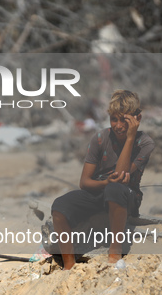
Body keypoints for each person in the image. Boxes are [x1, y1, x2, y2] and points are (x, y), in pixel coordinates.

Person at [51, 90, 155, 270]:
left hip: (126, 195)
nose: (119, 125)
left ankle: (114, 253)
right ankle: (69, 265)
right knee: (59, 206)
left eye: (125, 120)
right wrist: (105, 183)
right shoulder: (100, 138)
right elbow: (84, 182)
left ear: (137, 119)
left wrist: (130, 137)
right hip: (101, 190)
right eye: (114, 119)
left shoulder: (144, 143)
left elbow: (122, 177)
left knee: (115, 190)